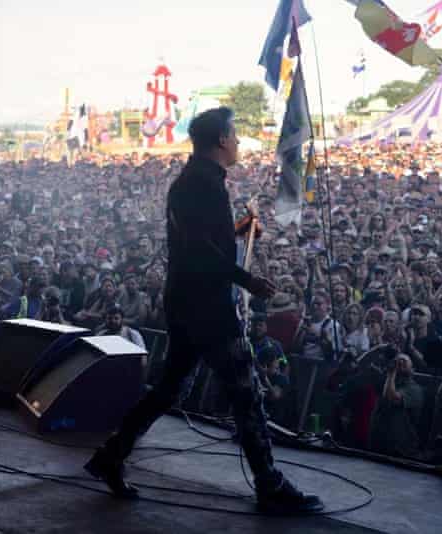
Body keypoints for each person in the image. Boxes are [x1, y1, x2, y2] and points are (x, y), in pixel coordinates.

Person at [84, 107, 323, 514]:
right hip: (208, 307)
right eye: (235, 135)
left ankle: (111, 456)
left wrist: (237, 233)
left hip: (186, 301)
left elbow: (201, 243)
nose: (239, 142)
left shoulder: (192, 182)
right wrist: (248, 281)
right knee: (246, 393)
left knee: (168, 389)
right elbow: (200, 252)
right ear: (221, 141)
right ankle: (269, 484)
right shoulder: (205, 186)